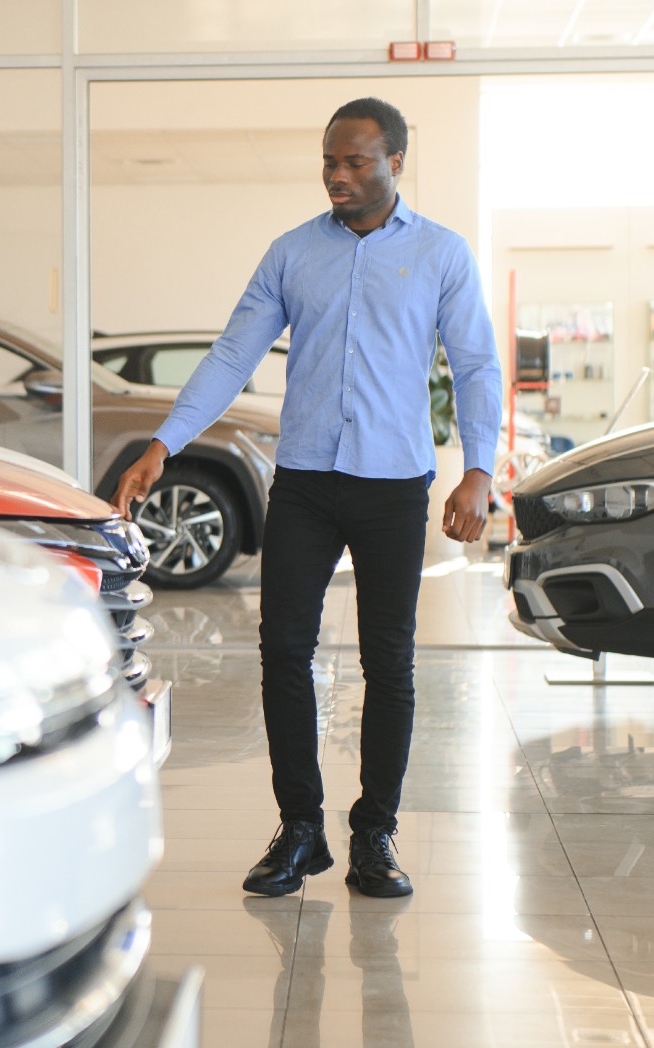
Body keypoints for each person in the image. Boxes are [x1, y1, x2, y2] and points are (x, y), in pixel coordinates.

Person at [111, 97, 502, 899]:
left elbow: (476, 365)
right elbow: (232, 356)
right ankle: (299, 829)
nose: (338, 175)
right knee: (283, 649)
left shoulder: (441, 255)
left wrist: (479, 468)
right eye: (329, 160)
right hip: (308, 483)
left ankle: (376, 834)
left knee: (389, 661)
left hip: (394, 483)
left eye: (356, 161)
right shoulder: (293, 254)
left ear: (397, 160)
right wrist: (164, 444)